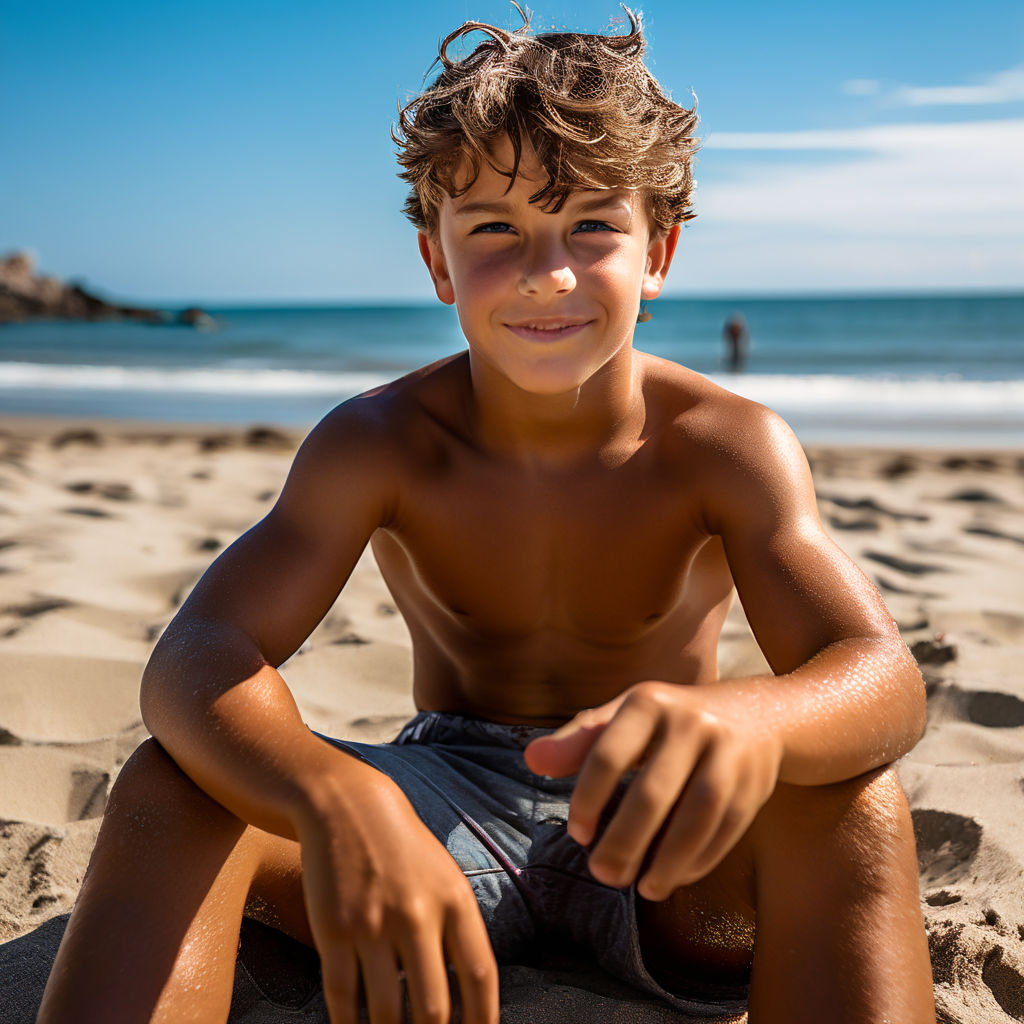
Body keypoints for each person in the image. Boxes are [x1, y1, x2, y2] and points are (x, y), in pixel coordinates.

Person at [38, 9, 935, 1024]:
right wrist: (333, 795)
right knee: (170, 786)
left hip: (658, 827)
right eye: (495, 230)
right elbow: (199, 653)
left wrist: (748, 718)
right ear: (437, 262)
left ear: (657, 255)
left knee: (858, 804)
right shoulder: (380, 442)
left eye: (592, 224)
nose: (547, 271)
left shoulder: (724, 445)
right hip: (441, 799)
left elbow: (883, 677)